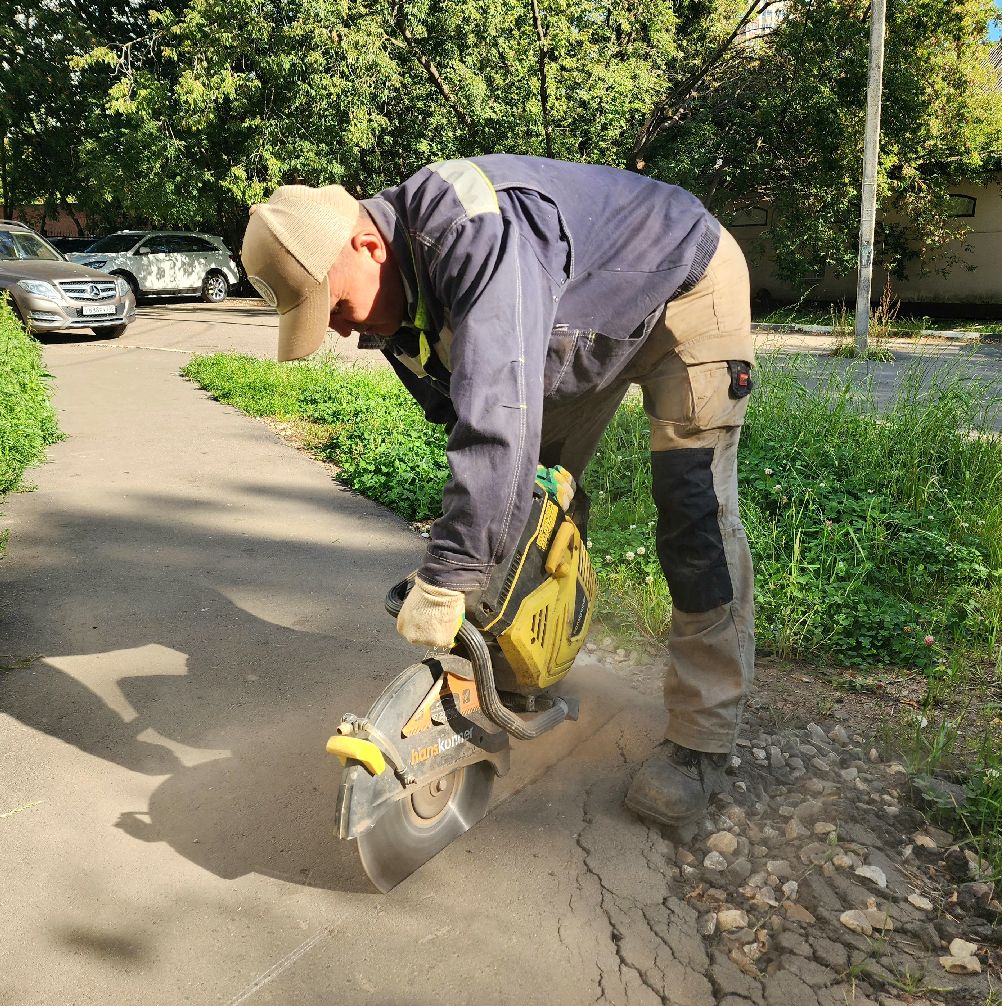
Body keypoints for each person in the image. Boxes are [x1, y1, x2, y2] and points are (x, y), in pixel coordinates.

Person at [240, 155, 755, 828]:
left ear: (367, 244)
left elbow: (497, 421)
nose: (340, 330)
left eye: (334, 305)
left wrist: (449, 574)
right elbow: (475, 436)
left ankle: (701, 740)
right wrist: (483, 560)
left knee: (692, 511)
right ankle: (523, 675)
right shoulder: (395, 314)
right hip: (577, 320)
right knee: (531, 509)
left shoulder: (472, 230)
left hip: (685, 283)